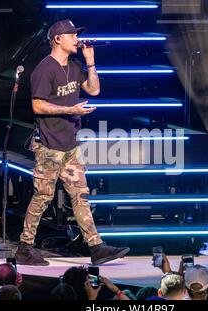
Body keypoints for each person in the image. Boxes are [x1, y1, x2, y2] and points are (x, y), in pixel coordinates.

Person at [15, 19, 129, 266]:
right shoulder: (44, 69)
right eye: (72, 35)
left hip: (70, 146)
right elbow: (37, 105)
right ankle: (24, 247)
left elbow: (94, 89)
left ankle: (96, 247)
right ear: (58, 39)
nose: (77, 39)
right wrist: (70, 108)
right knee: (42, 197)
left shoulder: (76, 66)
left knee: (80, 195)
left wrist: (90, 61)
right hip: (48, 146)